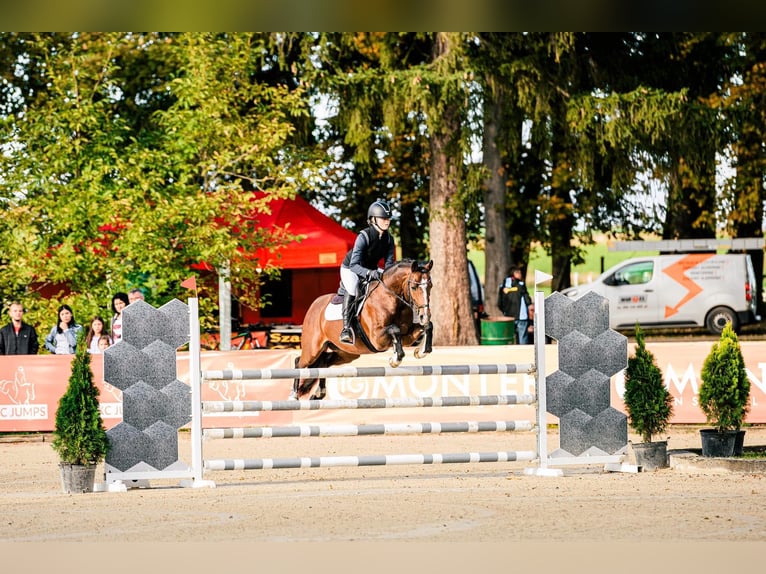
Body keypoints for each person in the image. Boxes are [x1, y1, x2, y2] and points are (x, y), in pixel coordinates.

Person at [338, 199, 396, 343]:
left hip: (371, 268)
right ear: (373, 219)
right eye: (383, 218)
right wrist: (370, 273)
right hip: (351, 268)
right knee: (353, 289)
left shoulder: (389, 239)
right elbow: (354, 265)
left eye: (388, 218)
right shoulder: (363, 236)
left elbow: (389, 264)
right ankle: (346, 329)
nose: (387, 221)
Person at [498, 266, 534, 345]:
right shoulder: (521, 284)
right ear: (514, 274)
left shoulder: (503, 285)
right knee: (523, 337)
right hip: (521, 316)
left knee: (509, 337)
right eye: (519, 273)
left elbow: (499, 302)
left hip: (508, 316)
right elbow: (526, 298)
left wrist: (504, 310)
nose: (521, 274)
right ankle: (522, 353)